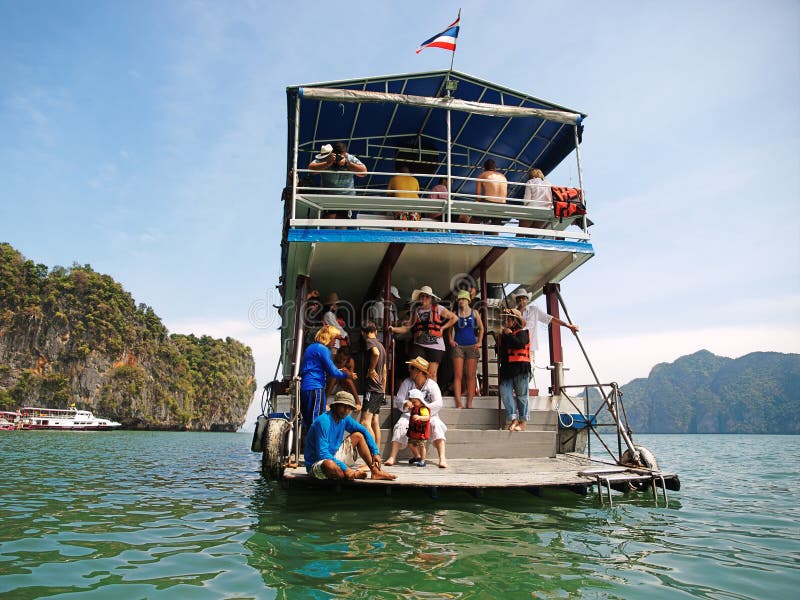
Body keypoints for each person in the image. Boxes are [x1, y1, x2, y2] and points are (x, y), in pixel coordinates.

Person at [304, 391, 397, 481]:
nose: (346, 410)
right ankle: (348, 475)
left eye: (349, 408)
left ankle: (376, 472)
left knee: (358, 436)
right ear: (335, 405)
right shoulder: (323, 421)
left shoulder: (345, 418)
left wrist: (375, 452)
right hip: (317, 462)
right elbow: (323, 454)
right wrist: (346, 469)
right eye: (343, 406)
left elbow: (363, 430)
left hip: (333, 455)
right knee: (330, 465)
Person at [384, 356, 448, 468]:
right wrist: (405, 403)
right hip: (409, 415)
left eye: (412, 367)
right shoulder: (407, 382)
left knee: (436, 425)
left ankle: (442, 457)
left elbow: (438, 403)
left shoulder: (432, 385)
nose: (409, 370)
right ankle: (392, 457)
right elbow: (398, 399)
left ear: (419, 371)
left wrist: (422, 409)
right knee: (401, 425)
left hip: (428, 415)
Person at [389, 285, 457, 381]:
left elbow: (454, 318)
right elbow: (406, 328)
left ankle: (431, 395)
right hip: (420, 344)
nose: (424, 298)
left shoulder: (438, 308)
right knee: (414, 369)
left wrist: (443, 328)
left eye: (427, 296)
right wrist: (393, 329)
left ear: (431, 298)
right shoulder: (416, 311)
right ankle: (418, 393)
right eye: (422, 296)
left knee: (432, 374)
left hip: (435, 345)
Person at [299, 325, 356, 427]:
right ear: (328, 337)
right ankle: (318, 442)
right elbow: (333, 372)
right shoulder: (323, 349)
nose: (335, 342)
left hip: (305, 388)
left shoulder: (311, 348)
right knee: (317, 422)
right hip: (315, 388)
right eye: (334, 338)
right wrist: (347, 374)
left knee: (308, 422)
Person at [512, 288, 579, 368]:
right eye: (519, 298)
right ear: (516, 300)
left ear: (527, 300)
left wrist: (568, 326)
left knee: (529, 372)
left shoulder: (534, 310)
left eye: (523, 297)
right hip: (514, 348)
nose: (521, 299)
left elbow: (550, 318)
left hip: (530, 348)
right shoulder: (512, 314)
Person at [308, 142, 367, 218]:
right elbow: (310, 169)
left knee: (343, 220)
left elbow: (364, 172)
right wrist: (328, 163)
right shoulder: (327, 157)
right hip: (328, 197)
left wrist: (347, 163)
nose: (338, 158)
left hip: (347, 197)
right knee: (330, 218)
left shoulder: (349, 158)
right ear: (333, 153)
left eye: (341, 156)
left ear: (345, 153)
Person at [448, 289, 484, 408]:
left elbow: (481, 328)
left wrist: (479, 342)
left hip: (471, 345)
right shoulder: (455, 312)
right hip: (458, 345)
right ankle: (458, 402)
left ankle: (469, 401)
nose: (461, 301)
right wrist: (450, 340)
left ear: (468, 300)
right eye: (459, 299)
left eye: (463, 299)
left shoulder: (474, 312)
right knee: (458, 375)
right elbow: (449, 329)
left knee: (470, 375)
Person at [497, 308, 532, 431]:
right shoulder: (504, 335)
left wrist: (509, 334)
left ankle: (523, 422)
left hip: (521, 369)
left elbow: (519, 344)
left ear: (514, 321)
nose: (506, 321)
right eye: (505, 319)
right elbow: (500, 351)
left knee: (522, 396)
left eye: (509, 319)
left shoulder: (523, 333)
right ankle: (513, 418)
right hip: (507, 370)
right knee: (505, 392)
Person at [358, 321, 387, 451]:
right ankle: (377, 457)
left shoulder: (370, 342)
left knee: (365, 422)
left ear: (362, 333)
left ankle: (372, 455)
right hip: (380, 389)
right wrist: (384, 391)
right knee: (375, 422)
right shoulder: (382, 346)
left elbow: (375, 353)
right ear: (375, 331)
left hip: (372, 389)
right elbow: (385, 372)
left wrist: (371, 369)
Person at [406, 388, 431, 467]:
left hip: (421, 433)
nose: (413, 404)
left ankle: (423, 460)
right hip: (413, 432)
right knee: (410, 444)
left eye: (414, 402)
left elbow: (427, 417)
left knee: (421, 446)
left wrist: (419, 417)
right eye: (412, 402)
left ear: (420, 400)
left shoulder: (423, 409)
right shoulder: (414, 408)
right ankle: (417, 457)